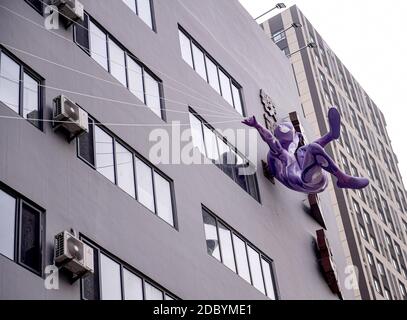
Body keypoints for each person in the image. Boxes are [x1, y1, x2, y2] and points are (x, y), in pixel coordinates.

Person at [242, 107, 369, 194]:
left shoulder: (291, 152)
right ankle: (343, 179)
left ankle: (331, 135)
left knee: (304, 150)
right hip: (305, 181)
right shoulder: (280, 154)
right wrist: (257, 125)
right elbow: (270, 140)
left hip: (309, 176)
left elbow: (290, 140)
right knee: (312, 148)